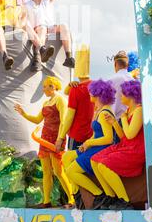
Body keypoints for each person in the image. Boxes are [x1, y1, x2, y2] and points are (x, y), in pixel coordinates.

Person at [14, 76, 74, 208]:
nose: (44, 89)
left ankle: (72, 199)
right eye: (43, 87)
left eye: (45, 86)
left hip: (56, 139)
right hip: (45, 138)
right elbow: (37, 119)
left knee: (58, 171)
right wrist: (23, 113)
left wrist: (60, 139)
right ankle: (46, 201)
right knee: (46, 171)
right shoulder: (46, 103)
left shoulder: (60, 100)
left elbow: (64, 120)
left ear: (52, 87)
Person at [91, 80, 145, 210]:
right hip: (125, 146)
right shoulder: (128, 110)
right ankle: (110, 196)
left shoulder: (139, 110)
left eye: (123, 94)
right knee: (94, 160)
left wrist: (124, 120)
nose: (120, 97)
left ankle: (124, 200)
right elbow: (123, 136)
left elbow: (131, 134)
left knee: (104, 165)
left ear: (130, 95)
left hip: (135, 150)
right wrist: (115, 122)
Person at [62, 80, 117, 208]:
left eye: (92, 92)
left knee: (71, 171)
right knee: (66, 157)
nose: (89, 94)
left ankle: (98, 195)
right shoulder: (99, 110)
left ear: (98, 95)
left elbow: (109, 139)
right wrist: (87, 143)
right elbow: (96, 134)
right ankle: (77, 196)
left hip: (100, 149)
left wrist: (88, 143)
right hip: (94, 146)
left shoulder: (104, 113)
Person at [25, 0, 75, 71]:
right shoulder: (27, 4)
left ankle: (69, 58)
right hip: (37, 29)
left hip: (50, 29)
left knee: (64, 25)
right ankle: (40, 53)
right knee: (42, 28)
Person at [55, 44, 94, 152]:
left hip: (77, 135)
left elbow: (69, 117)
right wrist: (69, 86)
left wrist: (60, 138)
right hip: (92, 136)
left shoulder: (76, 89)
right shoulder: (96, 87)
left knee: (72, 166)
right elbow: (66, 92)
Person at [109, 51, 133, 120]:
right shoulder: (134, 80)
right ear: (127, 65)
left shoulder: (110, 80)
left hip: (114, 120)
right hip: (131, 119)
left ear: (115, 64)